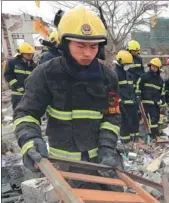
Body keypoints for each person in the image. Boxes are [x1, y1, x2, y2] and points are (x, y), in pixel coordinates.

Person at [13, 7, 123, 190]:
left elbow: (112, 116)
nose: (88, 53)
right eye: (80, 46)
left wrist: (108, 147)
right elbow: (26, 113)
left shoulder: (109, 78)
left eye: (93, 46)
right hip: (66, 166)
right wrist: (30, 140)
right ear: (65, 44)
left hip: (103, 161)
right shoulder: (45, 74)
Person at [136, 58, 166, 141]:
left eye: (156, 67)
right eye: (153, 66)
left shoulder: (160, 80)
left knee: (156, 118)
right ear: (150, 66)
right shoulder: (145, 76)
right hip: (146, 101)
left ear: (158, 68)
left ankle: (154, 134)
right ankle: (152, 135)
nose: (154, 68)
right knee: (150, 118)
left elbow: (162, 91)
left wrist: (163, 100)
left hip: (155, 102)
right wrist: (138, 95)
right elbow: (138, 85)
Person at [114, 50, 140, 144]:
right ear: (120, 62)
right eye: (126, 64)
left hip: (131, 103)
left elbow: (132, 89)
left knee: (135, 121)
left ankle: (135, 141)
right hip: (123, 104)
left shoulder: (128, 74)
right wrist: (119, 101)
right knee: (125, 123)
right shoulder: (115, 74)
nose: (128, 66)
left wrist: (135, 100)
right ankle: (125, 141)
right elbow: (113, 90)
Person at [4, 42, 36, 110]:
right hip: (17, 95)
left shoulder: (33, 65)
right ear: (22, 54)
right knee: (18, 112)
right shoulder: (12, 62)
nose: (30, 56)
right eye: (28, 54)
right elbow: (8, 76)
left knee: (30, 112)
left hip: (30, 94)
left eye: (31, 54)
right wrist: (18, 87)